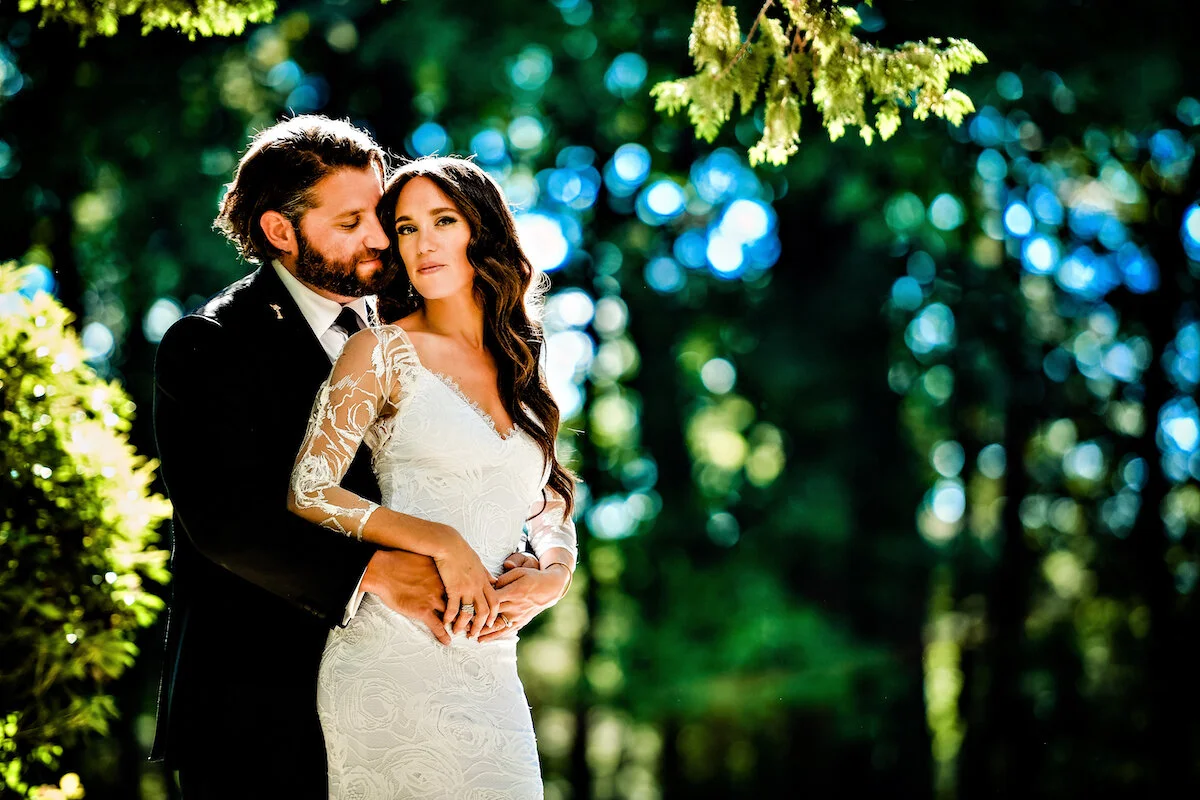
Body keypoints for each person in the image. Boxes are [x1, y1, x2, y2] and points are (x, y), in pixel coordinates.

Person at [151, 116, 542, 796]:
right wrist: (374, 569)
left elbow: (472, 456)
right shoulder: (211, 343)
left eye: (380, 213)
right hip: (257, 712)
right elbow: (223, 522)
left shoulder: (409, 317)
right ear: (280, 230)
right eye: (352, 220)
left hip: (425, 682)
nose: (381, 237)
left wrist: (531, 559)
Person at [287, 155, 578, 797]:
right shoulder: (379, 351)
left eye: (442, 220)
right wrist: (440, 541)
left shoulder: (521, 359)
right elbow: (310, 489)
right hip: (394, 651)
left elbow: (550, 501)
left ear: (481, 230)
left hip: (493, 659)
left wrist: (554, 573)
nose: (422, 243)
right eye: (406, 227)